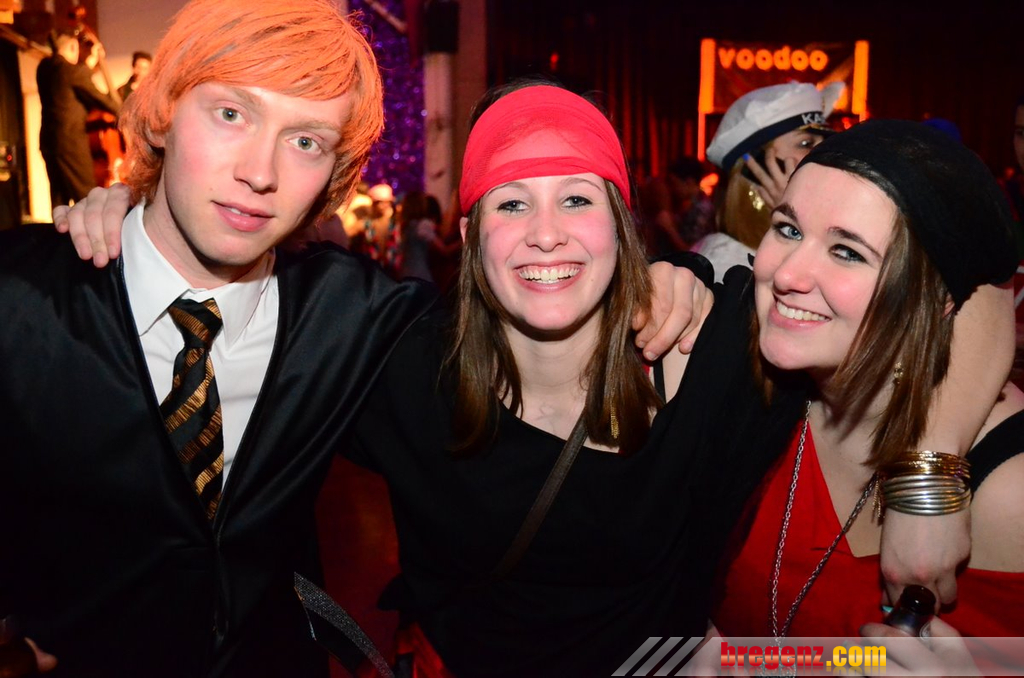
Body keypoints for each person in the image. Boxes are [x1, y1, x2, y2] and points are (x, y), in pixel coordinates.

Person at [55, 90, 1010, 676]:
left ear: (621, 225)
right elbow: (216, 297)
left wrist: (928, 481)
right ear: (471, 237)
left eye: (576, 198)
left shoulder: (726, 345)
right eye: (511, 203)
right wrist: (142, 219)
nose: (546, 233)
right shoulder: (398, 363)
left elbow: (972, 284)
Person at [0, 1, 440, 675]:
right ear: (163, 113)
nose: (260, 173)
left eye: (306, 142)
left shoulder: (352, 315)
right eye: (231, 113)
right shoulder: (20, 301)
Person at [712, 120, 1023, 640]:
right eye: (788, 229)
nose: (787, 275)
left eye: (848, 252)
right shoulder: (739, 391)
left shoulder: (1008, 492)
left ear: (938, 300)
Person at [693, 81, 843, 281]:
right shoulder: (727, 265)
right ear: (756, 168)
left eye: (824, 142)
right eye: (805, 143)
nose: (823, 151)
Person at [36, 27, 121, 205]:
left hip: (49, 143)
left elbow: (71, 79)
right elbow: (105, 102)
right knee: (87, 199)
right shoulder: (73, 72)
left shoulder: (44, 68)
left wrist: (88, 65)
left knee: (59, 202)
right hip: (71, 144)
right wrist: (124, 112)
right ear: (73, 46)